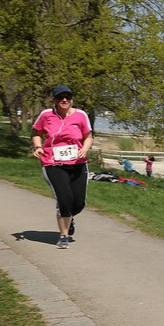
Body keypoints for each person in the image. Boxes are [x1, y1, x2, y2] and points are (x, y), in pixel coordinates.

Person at [31, 85, 93, 249]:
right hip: (53, 163)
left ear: (71, 99)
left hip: (78, 164)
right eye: (60, 97)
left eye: (67, 97)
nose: (64, 100)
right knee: (64, 199)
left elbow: (88, 137)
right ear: (54, 99)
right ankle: (64, 235)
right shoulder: (46, 115)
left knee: (78, 203)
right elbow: (36, 133)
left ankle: (69, 218)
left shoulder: (81, 115)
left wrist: (85, 149)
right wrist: (38, 147)